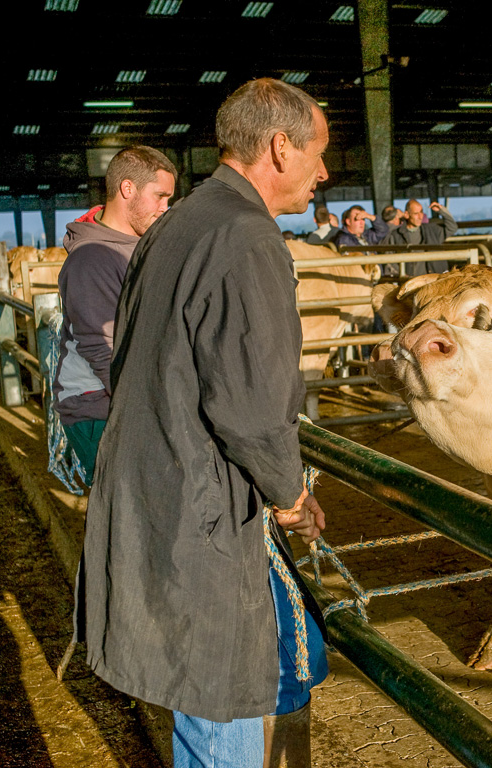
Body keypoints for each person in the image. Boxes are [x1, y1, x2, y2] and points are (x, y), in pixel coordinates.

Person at [80, 78, 329, 768]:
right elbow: (251, 408)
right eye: (318, 153)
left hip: (156, 483)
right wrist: (289, 496)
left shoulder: (176, 223)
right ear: (280, 148)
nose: (325, 172)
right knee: (219, 693)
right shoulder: (247, 237)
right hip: (205, 502)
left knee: (200, 697)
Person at [52, 145, 176, 483]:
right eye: (160, 196)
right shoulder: (91, 258)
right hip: (101, 409)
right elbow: (100, 346)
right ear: (127, 189)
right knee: (132, 518)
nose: (166, 208)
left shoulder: (141, 245)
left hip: (132, 397)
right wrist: (153, 410)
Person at [384, 198, 457, 275]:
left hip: (434, 281)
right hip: (411, 282)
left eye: (421, 212)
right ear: (406, 215)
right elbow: (390, 259)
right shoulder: (396, 235)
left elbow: (452, 228)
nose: (420, 217)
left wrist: (442, 211)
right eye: (416, 213)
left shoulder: (432, 230)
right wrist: (403, 276)